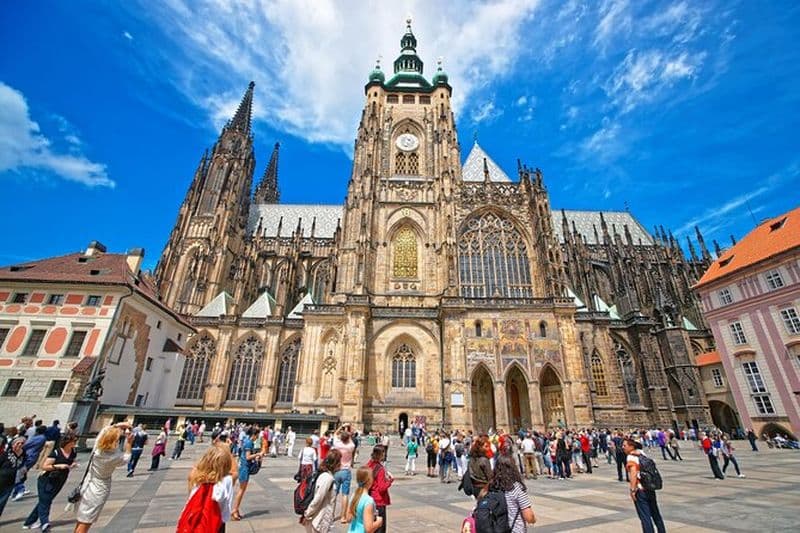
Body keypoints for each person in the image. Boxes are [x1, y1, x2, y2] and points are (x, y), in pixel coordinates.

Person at [75, 423, 134, 532]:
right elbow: (127, 457)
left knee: (81, 520)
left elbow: (105, 430)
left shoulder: (97, 449)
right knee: (86, 522)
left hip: (87, 483)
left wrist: (118, 425)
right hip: (99, 488)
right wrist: (129, 443)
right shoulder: (114, 457)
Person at [22, 431, 79, 531]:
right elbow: (44, 466)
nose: (75, 443)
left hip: (60, 479)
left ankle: (29, 522)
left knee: (45, 500)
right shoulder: (56, 452)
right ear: (67, 442)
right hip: (47, 479)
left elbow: (71, 461)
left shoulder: (73, 452)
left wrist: (72, 465)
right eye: (73, 441)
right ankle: (45, 524)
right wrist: (58, 466)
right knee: (45, 501)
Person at [182, 445, 234, 531]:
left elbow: (191, 498)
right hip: (216, 522)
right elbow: (225, 505)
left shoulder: (196, 477)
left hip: (195, 520)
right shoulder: (226, 480)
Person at [623, 437, 665, 533]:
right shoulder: (642, 454)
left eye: (625, 445)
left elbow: (633, 473)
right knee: (656, 514)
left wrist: (632, 490)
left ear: (631, 446)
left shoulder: (631, 457)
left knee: (645, 517)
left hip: (640, 490)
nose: (623, 447)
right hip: (650, 487)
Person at [484, 454, 536, 532]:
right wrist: (533, 519)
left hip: (496, 529)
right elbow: (528, 516)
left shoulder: (491, 486)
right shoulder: (516, 488)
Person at [303, 449, 342, 533]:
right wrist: (307, 514)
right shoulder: (327, 478)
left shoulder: (324, 474)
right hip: (318, 520)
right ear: (335, 463)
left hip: (319, 518)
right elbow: (318, 498)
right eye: (339, 462)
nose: (341, 464)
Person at [232, 427, 262, 520]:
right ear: (254, 434)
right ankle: (234, 510)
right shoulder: (249, 442)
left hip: (243, 466)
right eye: (257, 435)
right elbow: (248, 457)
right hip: (244, 468)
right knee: (241, 490)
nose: (258, 436)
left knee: (242, 490)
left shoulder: (246, 440)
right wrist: (257, 454)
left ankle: (236, 510)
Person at [346, 467, 383, 533]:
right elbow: (368, 529)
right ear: (369, 480)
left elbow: (348, 518)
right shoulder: (368, 501)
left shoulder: (354, 495)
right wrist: (379, 522)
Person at [366, 446, 393, 533]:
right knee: (380, 528)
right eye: (383, 453)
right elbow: (382, 488)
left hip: (369, 497)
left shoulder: (369, 464)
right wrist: (390, 480)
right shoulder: (380, 469)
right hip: (379, 500)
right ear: (380, 454)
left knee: (371, 526)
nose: (384, 455)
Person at [332, 427, 356, 523]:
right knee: (345, 495)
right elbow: (351, 436)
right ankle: (343, 517)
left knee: (334, 494)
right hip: (346, 471)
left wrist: (341, 427)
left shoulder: (337, 444)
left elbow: (335, 433)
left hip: (337, 471)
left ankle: (331, 515)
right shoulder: (351, 446)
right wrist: (349, 432)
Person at [0, 436, 26, 516]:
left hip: (11, 481)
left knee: (2, 501)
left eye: (22, 443)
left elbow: (22, 466)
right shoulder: (6, 454)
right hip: (1, 478)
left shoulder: (23, 454)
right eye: (17, 443)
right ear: (13, 444)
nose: (19, 445)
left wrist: (23, 476)